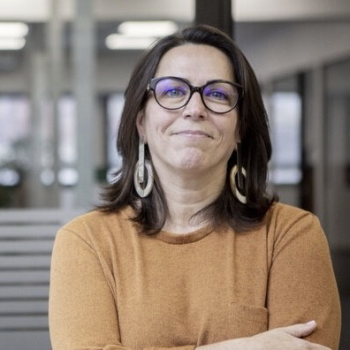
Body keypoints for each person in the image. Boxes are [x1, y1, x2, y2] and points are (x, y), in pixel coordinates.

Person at [49, 24, 341, 350]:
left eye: (218, 94)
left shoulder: (290, 235)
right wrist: (242, 347)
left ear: (241, 127)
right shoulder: (87, 242)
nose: (194, 109)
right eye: (173, 91)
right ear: (141, 122)